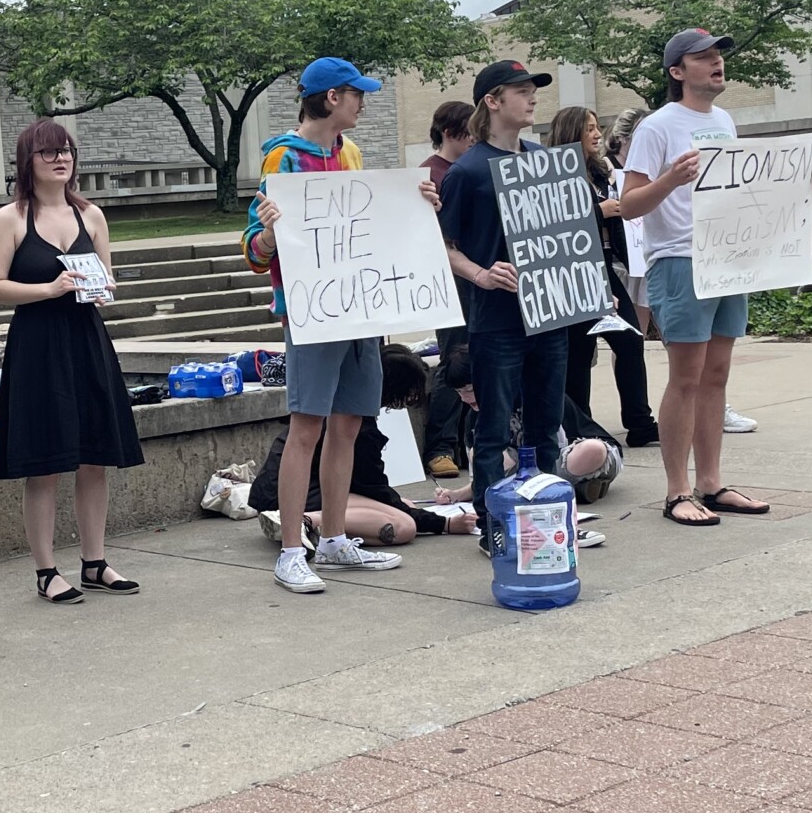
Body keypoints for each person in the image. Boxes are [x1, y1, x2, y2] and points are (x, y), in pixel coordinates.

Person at [245, 56, 440, 594]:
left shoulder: (349, 152)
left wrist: (417, 205)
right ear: (332, 98)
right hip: (313, 312)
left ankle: (332, 538)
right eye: (357, 94)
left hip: (358, 307)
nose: (362, 103)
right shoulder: (283, 159)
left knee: (350, 423)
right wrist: (265, 235)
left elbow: (371, 224)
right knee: (307, 427)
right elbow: (254, 251)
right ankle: (291, 549)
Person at [618, 28, 812, 527]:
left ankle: (711, 483)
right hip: (681, 258)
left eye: (718, 56)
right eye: (704, 57)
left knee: (716, 376)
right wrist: (671, 178)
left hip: (730, 258)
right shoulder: (657, 127)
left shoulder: (725, 119)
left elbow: (736, 190)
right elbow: (628, 205)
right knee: (686, 377)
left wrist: (797, 181)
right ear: (677, 72)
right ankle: (677, 491)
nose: (717, 63)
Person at [0, 120, 144, 604]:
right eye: (49, 152)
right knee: (45, 461)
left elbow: (107, 277)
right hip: (37, 344)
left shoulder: (91, 215)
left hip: (86, 340)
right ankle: (46, 569)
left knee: (95, 456)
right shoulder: (9, 218)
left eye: (67, 151)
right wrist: (48, 289)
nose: (60, 159)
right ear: (28, 162)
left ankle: (95, 561)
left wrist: (103, 288)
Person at [436, 58, 571, 551]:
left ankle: (548, 522)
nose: (532, 97)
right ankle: (494, 526)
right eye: (520, 90)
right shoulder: (467, 171)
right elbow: (442, 246)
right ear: (492, 102)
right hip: (496, 322)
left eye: (533, 90)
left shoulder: (541, 159)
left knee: (545, 426)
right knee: (492, 430)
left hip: (550, 314)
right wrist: (481, 274)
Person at [252, 346, 475, 548]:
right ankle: (306, 522)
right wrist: (444, 523)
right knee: (403, 525)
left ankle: (311, 527)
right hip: (293, 495)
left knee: (401, 506)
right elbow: (376, 491)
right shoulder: (359, 430)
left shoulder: (341, 409)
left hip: (276, 490)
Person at [545, 106, 660, 447]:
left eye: (598, 127)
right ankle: (580, 425)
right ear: (571, 133)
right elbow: (553, 225)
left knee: (629, 339)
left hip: (606, 266)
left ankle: (640, 422)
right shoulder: (553, 174)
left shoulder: (600, 170)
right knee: (579, 351)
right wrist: (598, 211)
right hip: (573, 271)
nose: (597, 135)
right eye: (589, 129)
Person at [421, 101, 475, 476]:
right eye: (469, 131)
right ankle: (440, 446)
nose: (474, 138)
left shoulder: (469, 168)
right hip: (449, 278)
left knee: (473, 357)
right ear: (450, 132)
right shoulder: (429, 173)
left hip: (478, 273)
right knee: (453, 358)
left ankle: (463, 440)